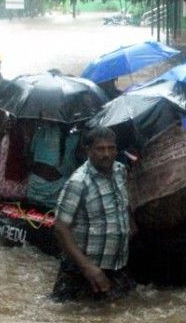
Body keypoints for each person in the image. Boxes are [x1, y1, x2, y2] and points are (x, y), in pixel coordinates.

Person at [50, 127, 134, 302]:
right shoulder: (78, 183)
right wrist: (87, 267)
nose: (107, 154)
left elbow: (123, 205)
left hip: (116, 266)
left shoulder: (120, 171)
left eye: (111, 148)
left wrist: (131, 225)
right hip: (83, 272)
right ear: (88, 150)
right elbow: (60, 227)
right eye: (100, 149)